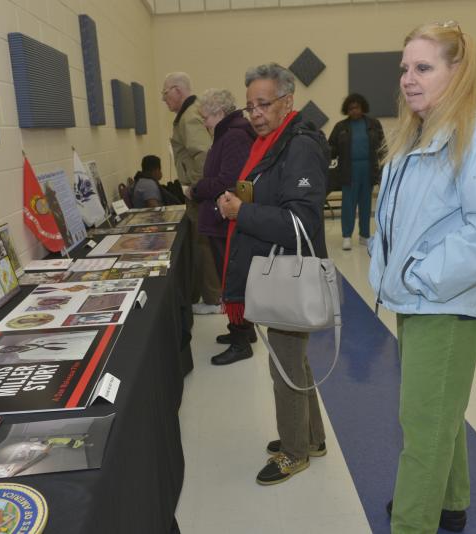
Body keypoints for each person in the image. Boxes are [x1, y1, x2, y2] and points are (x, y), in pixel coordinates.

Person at [368, 21, 476, 533]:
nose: (408, 79)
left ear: (457, 71)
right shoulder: (420, 128)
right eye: (405, 69)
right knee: (441, 409)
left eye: (423, 68)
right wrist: (393, 269)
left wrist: (421, 275)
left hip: (447, 301)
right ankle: (451, 501)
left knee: (423, 425)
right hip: (415, 297)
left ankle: (414, 523)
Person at [217, 63, 328, 484]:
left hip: (287, 274)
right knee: (294, 362)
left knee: (284, 366)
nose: (255, 114)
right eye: (249, 107)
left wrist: (242, 212)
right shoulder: (269, 145)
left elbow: (300, 222)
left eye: (263, 104)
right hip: (274, 268)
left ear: (288, 101)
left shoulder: (299, 146)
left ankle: (294, 451)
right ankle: (311, 437)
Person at [192, 89, 256, 365]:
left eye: (206, 117)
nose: (204, 123)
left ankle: (241, 340)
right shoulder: (230, 133)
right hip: (222, 221)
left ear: (219, 113)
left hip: (225, 222)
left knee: (232, 284)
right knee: (231, 280)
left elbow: (228, 180)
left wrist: (196, 188)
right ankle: (242, 330)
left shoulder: (234, 136)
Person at [161, 72, 223, 314]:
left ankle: (212, 299)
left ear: (177, 90)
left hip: (200, 193)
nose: (164, 99)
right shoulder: (192, 113)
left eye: (165, 93)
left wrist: (196, 189)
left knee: (204, 245)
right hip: (201, 191)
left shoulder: (188, 118)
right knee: (202, 244)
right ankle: (210, 295)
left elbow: (204, 155)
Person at [328, 93, 385, 250]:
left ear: (363, 108)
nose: (354, 111)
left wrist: (386, 165)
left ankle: (364, 235)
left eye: (357, 107)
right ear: (347, 109)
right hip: (348, 169)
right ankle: (346, 236)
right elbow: (331, 147)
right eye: (351, 108)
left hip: (368, 168)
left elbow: (383, 147)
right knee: (348, 204)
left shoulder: (374, 124)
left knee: (366, 204)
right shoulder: (340, 127)